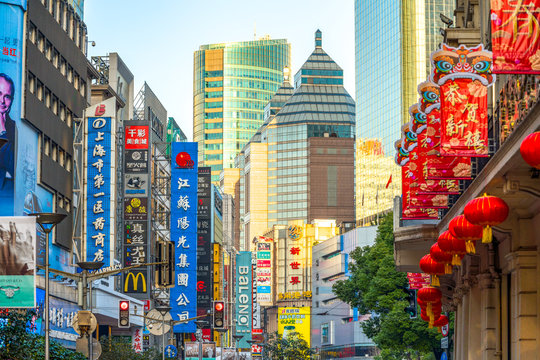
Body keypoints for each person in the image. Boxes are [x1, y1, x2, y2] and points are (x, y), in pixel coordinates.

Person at [0, 73, 16, 203]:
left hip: (5, 195)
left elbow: (13, 166)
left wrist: (3, 128)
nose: (2, 101)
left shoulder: (14, 129)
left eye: (7, 96)